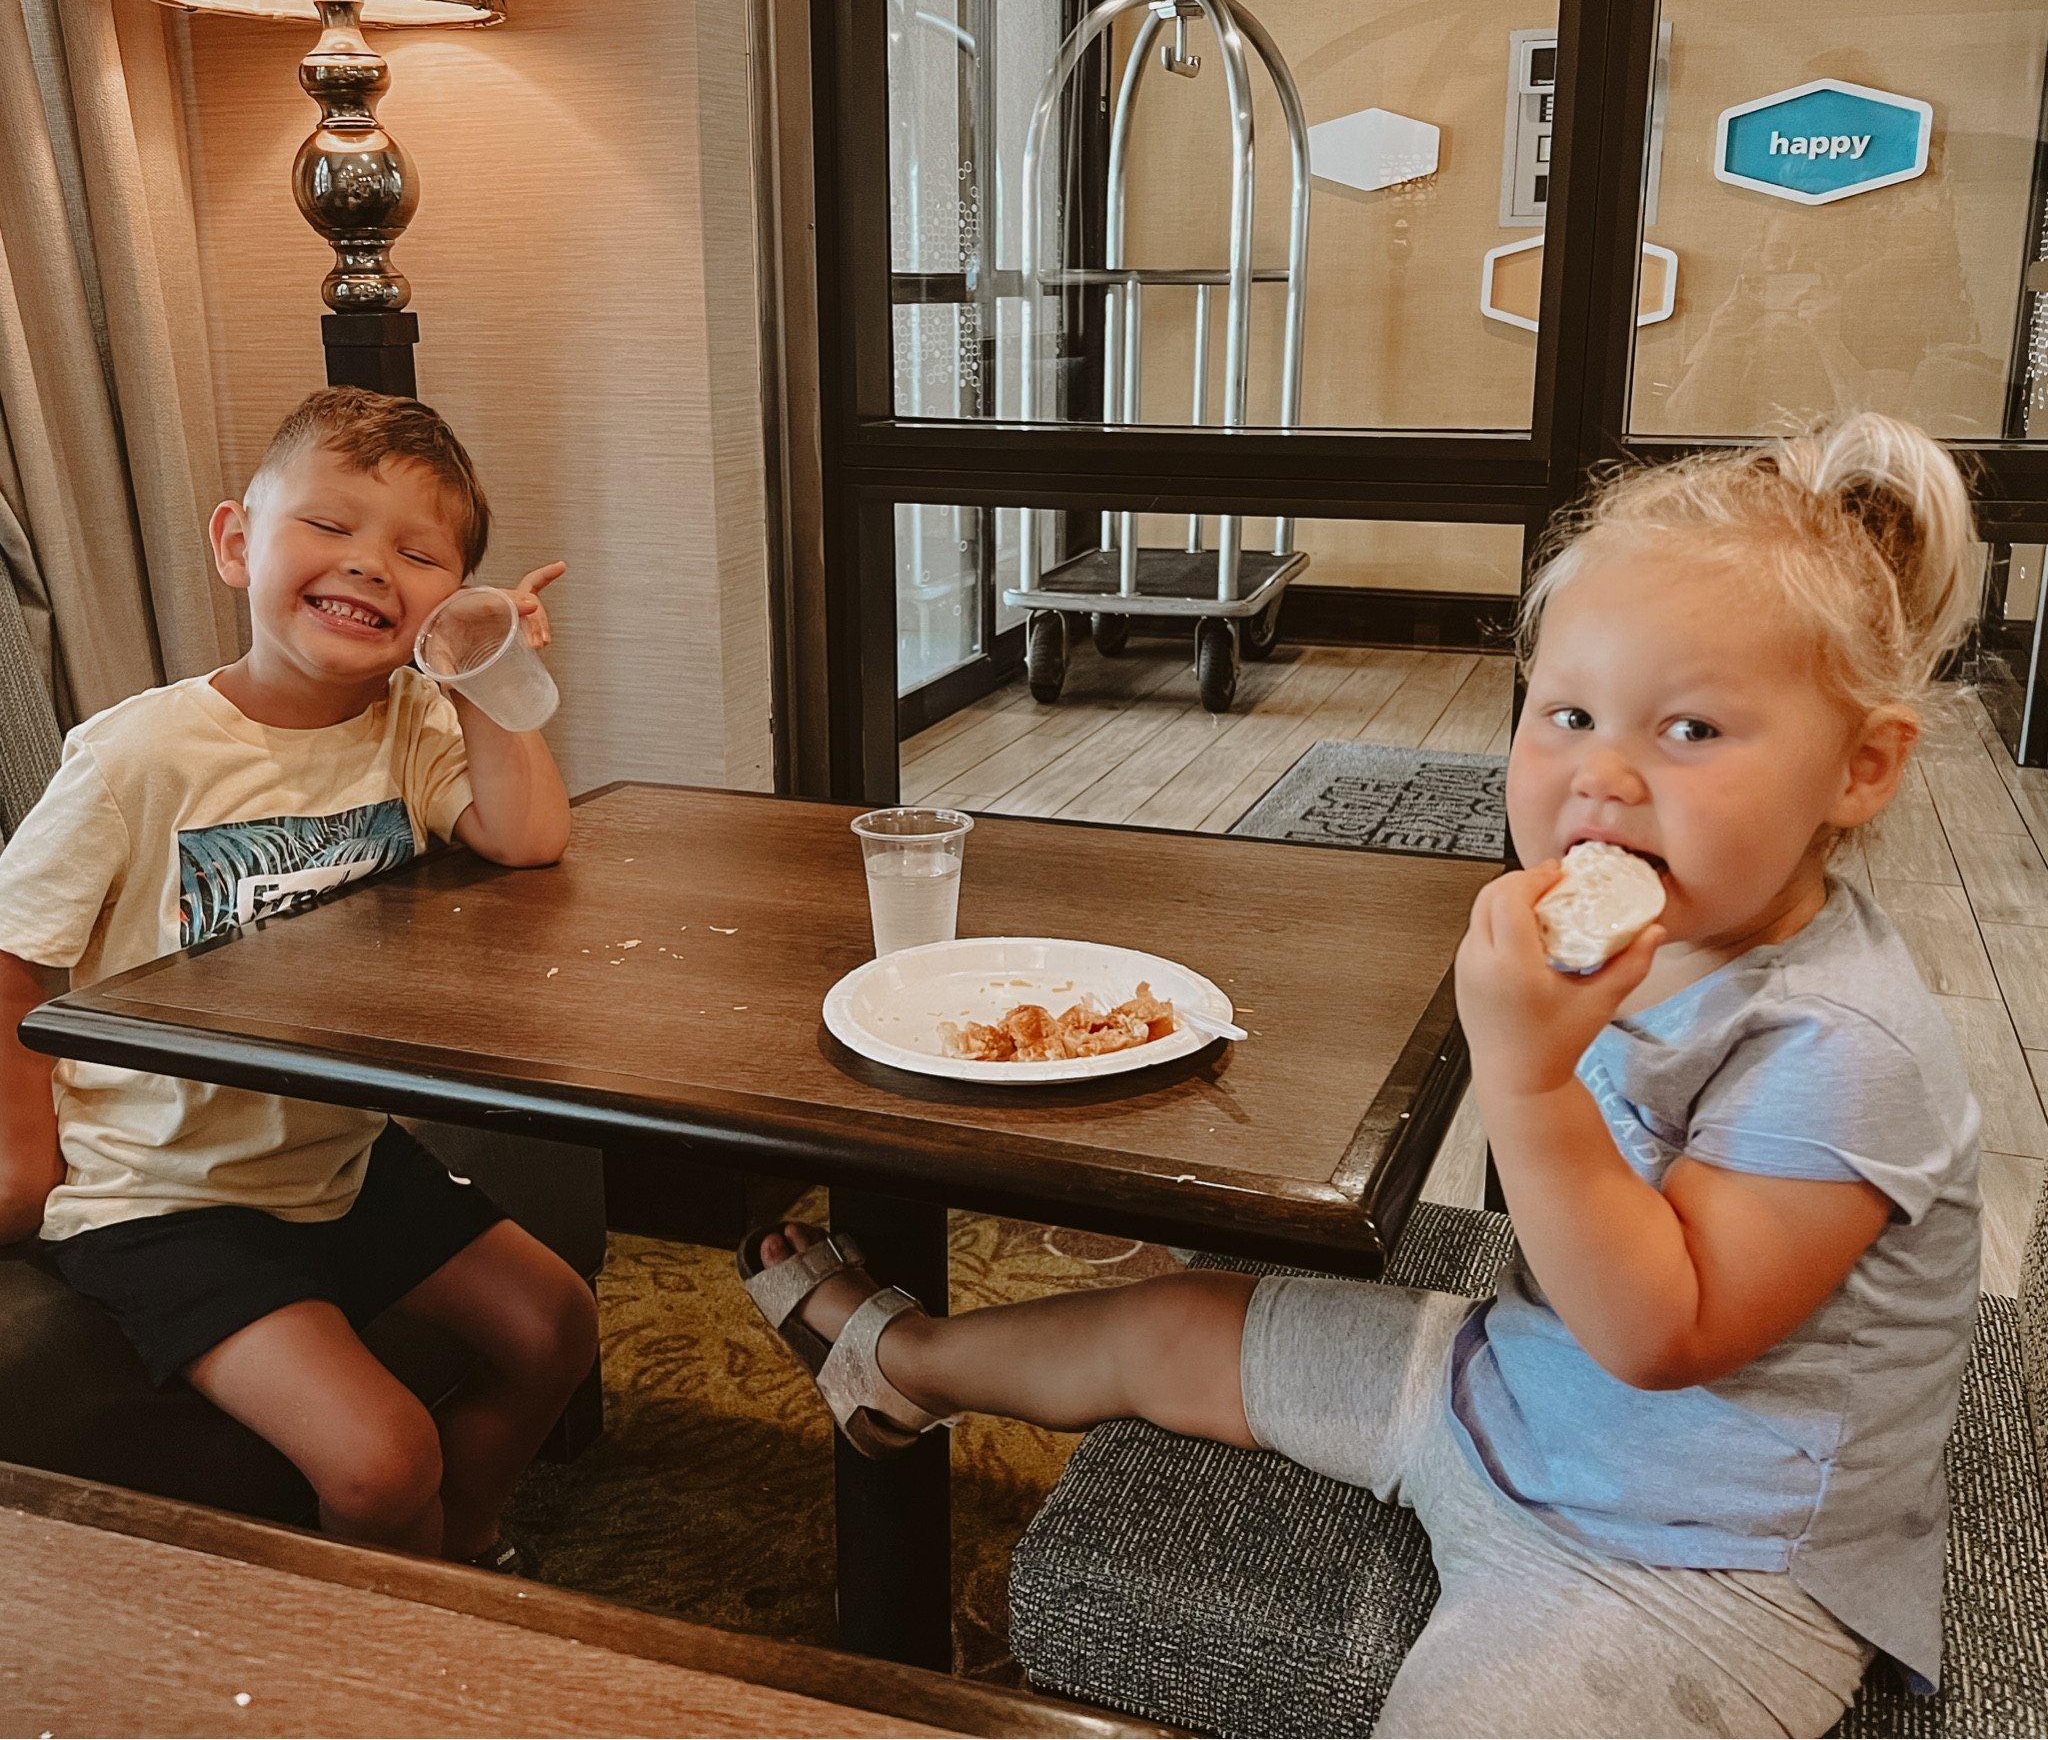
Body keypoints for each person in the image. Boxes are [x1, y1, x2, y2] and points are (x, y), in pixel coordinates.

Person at [739, 414, 1982, 1737]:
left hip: (1697, 1557)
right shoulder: (1658, 933)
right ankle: (908, 1364)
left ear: (1861, 766)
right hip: (1503, 1388)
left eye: (1689, 728)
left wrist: (1529, 1074)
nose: (1602, 775)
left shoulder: (1848, 1048)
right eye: (1567, 713)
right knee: (1180, 1319)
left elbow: (1660, 1328)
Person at [0, 387, 596, 1568]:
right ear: (237, 542)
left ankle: (464, 1552)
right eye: (328, 527)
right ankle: (406, 1633)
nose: (370, 565)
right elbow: (16, 940)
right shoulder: (137, 754)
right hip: (163, 1193)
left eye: (418, 553)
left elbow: (526, 834)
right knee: (380, 1461)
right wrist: (23, 1148)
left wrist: (487, 673)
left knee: (554, 1324)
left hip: (336, 1153)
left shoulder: (415, 723)